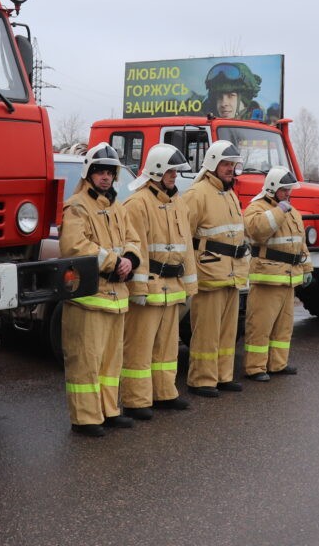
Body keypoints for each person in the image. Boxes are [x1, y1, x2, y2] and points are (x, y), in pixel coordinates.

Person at [58, 143, 143, 437]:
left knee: (110, 362)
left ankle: (108, 411)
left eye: (109, 172)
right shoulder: (77, 206)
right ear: (89, 174)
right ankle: (85, 418)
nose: (105, 177)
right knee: (87, 361)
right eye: (100, 172)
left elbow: (133, 239)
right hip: (89, 298)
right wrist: (113, 262)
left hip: (116, 297)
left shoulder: (117, 207)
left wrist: (130, 260)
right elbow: (75, 246)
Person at [118, 143, 196, 420]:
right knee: (139, 347)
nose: (175, 176)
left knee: (167, 345)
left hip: (172, 288)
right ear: (156, 170)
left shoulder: (178, 202)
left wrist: (189, 285)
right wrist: (137, 289)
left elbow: (186, 246)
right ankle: (136, 400)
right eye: (171, 171)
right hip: (148, 287)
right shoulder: (137, 204)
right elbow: (135, 248)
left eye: (176, 171)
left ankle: (164, 394)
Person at [183, 140, 250, 396]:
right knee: (207, 333)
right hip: (209, 273)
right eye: (225, 164)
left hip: (232, 274)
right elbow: (184, 238)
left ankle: (223, 376)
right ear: (212, 164)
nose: (230, 169)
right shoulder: (197, 194)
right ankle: (201, 379)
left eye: (233, 164)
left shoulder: (229, 193)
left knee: (226, 332)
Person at [241, 166, 312, 381]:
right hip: (267, 278)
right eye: (284, 190)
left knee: (284, 326)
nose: (288, 194)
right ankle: (255, 368)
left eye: (289, 190)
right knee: (261, 325)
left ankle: (278, 364)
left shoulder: (293, 212)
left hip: (288, 278)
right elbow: (257, 231)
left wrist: (308, 268)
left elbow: (301, 244)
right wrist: (279, 210)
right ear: (272, 189)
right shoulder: (256, 208)